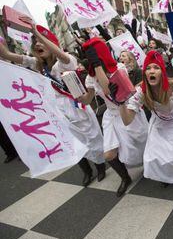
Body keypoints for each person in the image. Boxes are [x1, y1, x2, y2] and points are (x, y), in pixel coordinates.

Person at [0, 19, 106, 187]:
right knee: (70, 141)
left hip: (76, 106)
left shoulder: (64, 62)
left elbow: (62, 55)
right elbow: (7, 55)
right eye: (35, 43)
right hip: (57, 110)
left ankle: (100, 166)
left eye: (42, 42)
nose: (37, 45)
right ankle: (86, 171)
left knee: (92, 138)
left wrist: (36, 33)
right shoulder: (37, 64)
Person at [79, 38, 148, 196]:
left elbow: (107, 90)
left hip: (127, 110)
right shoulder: (90, 77)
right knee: (109, 154)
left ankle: (153, 164)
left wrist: (97, 65)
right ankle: (125, 178)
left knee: (141, 143)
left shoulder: (119, 68)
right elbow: (88, 99)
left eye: (94, 56)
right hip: (111, 115)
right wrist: (77, 96)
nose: (91, 60)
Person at [120, 50, 173, 186]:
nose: (151, 71)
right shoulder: (141, 91)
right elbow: (127, 120)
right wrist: (120, 102)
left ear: (162, 72)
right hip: (157, 124)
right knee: (154, 157)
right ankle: (165, 176)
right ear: (145, 72)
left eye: (156, 68)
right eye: (148, 68)